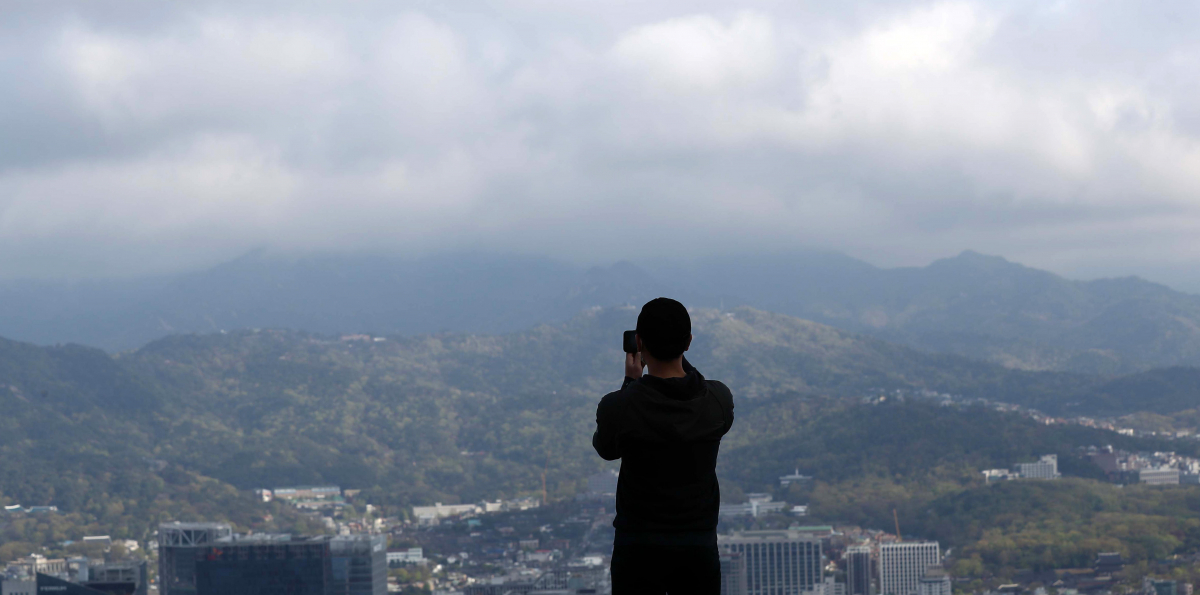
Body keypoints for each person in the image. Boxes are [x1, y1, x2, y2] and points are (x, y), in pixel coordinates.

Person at [593, 297, 735, 594]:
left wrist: (631, 382)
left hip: (638, 549)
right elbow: (698, 389)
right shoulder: (717, 402)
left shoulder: (619, 407)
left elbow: (607, 449)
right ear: (689, 343)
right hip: (699, 546)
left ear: (639, 343)